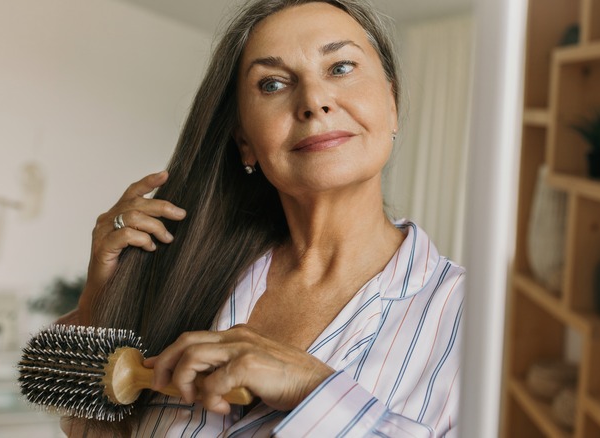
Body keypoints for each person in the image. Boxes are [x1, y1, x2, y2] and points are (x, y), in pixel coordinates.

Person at [59, 0, 464, 436]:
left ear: (391, 104)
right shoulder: (184, 274)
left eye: (340, 68)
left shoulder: (476, 318)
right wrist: (101, 300)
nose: (314, 101)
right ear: (245, 142)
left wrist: (312, 389)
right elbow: (91, 430)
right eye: (272, 84)